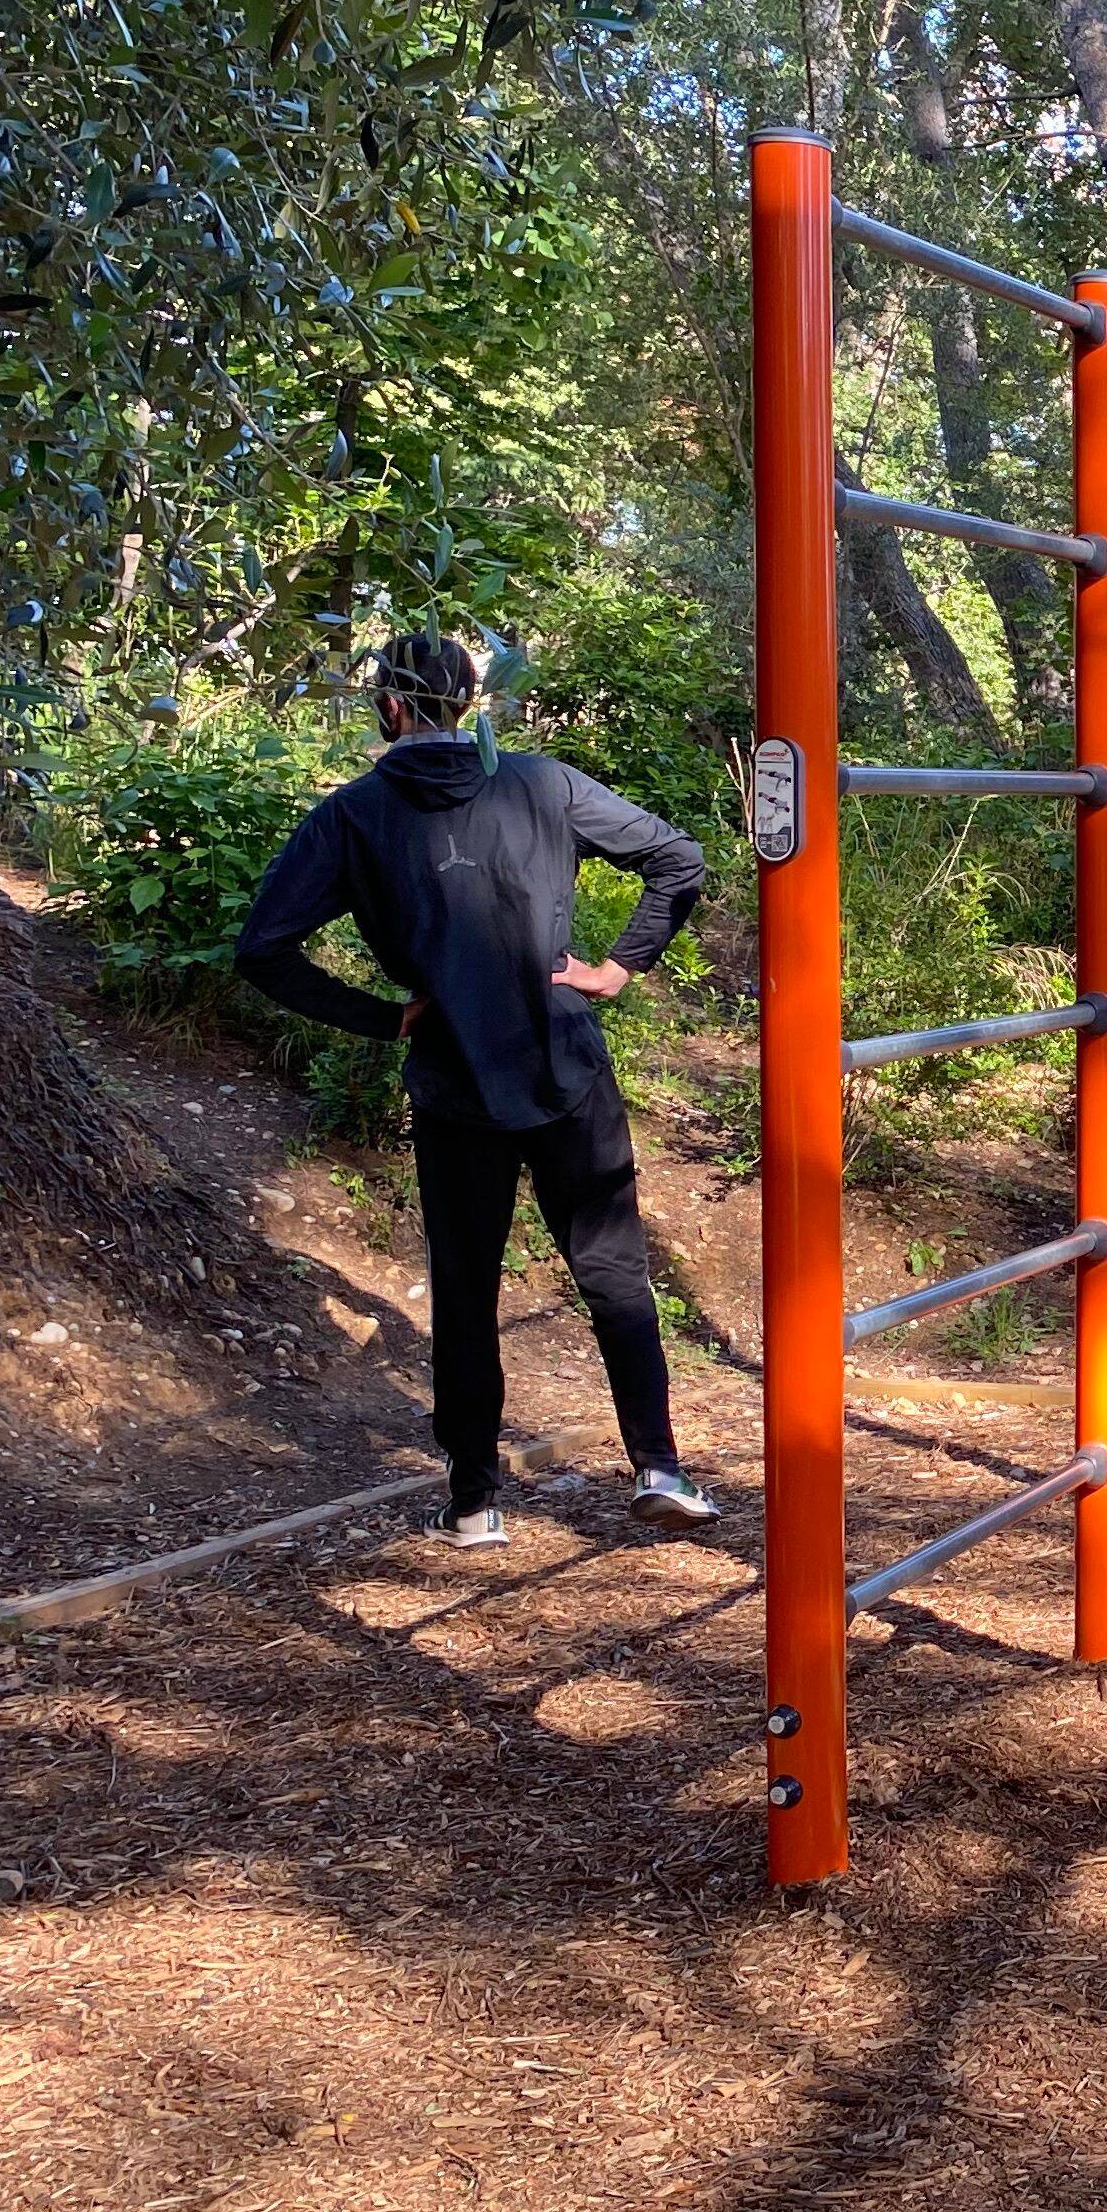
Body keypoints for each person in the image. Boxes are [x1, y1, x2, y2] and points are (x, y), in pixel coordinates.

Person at [235, 630, 717, 1547]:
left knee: (466, 1291)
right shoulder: (543, 785)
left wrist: (386, 1015)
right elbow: (675, 858)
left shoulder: (353, 815)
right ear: (470, 702)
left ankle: (474, 1504)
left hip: (455, 1080)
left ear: (389, 707)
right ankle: (660, 1468)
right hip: (566, 1067)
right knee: (612, 1271)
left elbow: (262, 949)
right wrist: (619, 968)